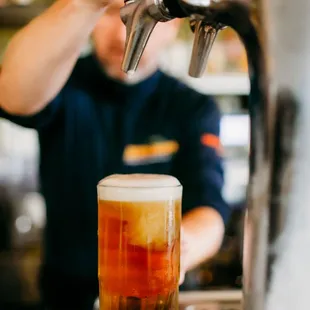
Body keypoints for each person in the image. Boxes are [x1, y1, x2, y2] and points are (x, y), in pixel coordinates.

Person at [0, 0, 231, 308]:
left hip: (156, 294)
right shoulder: (62, 85)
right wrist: (84, 3)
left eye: (152, 19)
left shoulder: (191, 108)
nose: (124, 34)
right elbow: (12, 96)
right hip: (67, 295)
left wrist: (180, 249)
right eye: (112, 14)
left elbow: (210, 206)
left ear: (173, 26)